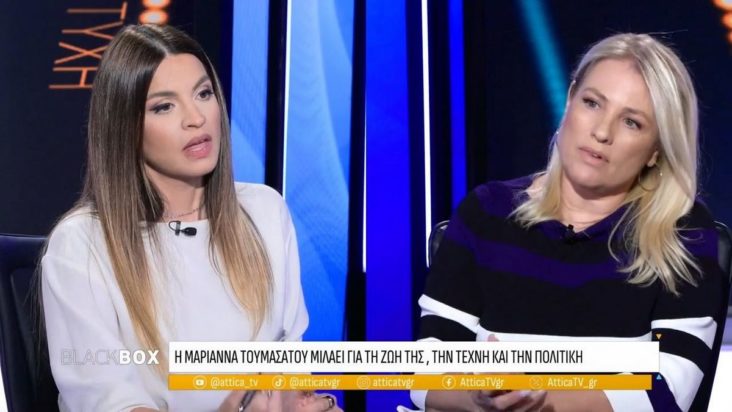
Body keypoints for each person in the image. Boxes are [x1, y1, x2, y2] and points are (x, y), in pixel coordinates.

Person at [414, 33, 726, 411]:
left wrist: (536, 401)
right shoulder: (487, 213)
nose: (602, 132)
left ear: (655, 151)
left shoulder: (681, 234)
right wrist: (482, 398)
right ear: (569, 101)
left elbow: (669, 389)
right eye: (592, 103)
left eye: (631, 122)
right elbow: (426, 374)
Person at [40, 24, 340, 412]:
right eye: (164, 106)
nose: (196, 118)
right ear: (125, 126)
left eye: (203, 93)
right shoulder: (82, 245)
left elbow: (289, 368)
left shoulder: (264, 211)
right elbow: (108, 401)